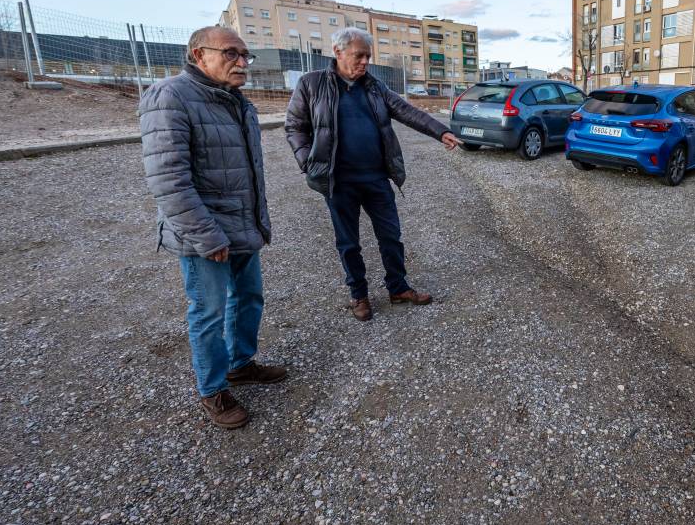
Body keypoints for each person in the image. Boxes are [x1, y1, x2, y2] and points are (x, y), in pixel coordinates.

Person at [139, 26, 287, 430]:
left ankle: (240, 364)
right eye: (230, 53)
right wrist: (206, 235)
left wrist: (256, 222)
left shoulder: (237, 101)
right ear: (198, 55)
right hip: (204, 234)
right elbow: (168, 179)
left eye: (245, 55)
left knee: (249, 298)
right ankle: (213, 389)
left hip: (241, 226)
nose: (242, 63)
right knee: (209, 311)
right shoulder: (170, 96)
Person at [285, 27, 461, 321]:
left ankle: (398, 288)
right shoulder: (311, 83)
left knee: (391, 236)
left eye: (368, 56)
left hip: (376, 178)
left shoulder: (374, 86)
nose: (365, 61)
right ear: (338, 52)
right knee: (348, 242)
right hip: (338, 182)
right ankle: (359, 294)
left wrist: (440, 131)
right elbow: (294, 127)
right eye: (359, 55)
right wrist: (308, 163)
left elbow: (407, 111)